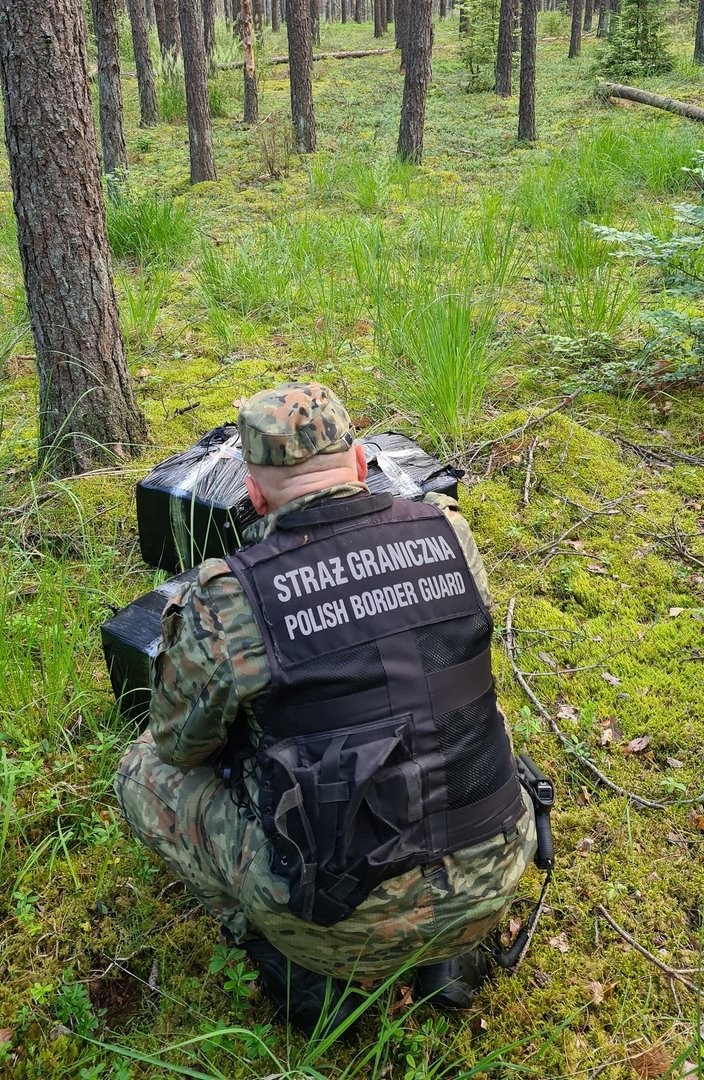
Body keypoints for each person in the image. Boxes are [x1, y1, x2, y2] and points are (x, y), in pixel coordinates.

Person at [115, 382, 538, 1035]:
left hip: (338, 920)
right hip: (500, 865)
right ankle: (456, 950)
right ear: (362, 465)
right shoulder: (449, 531)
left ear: (253, 494)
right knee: (469, 709)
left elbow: (179, 745)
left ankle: (295, 965)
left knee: (143, 771)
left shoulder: (232, 594)